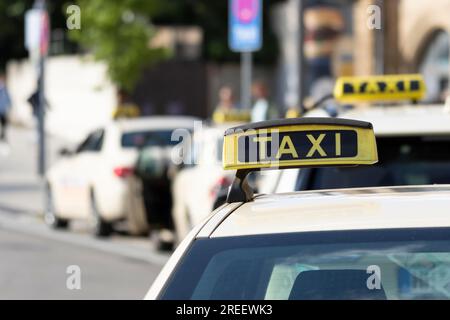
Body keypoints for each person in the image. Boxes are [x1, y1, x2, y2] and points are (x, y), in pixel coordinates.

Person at [0, 74, 11, 141]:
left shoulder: (5, 89)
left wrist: (9, 105)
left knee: (4, 123)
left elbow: (8, 98)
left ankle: (3, 135)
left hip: (3, 109)